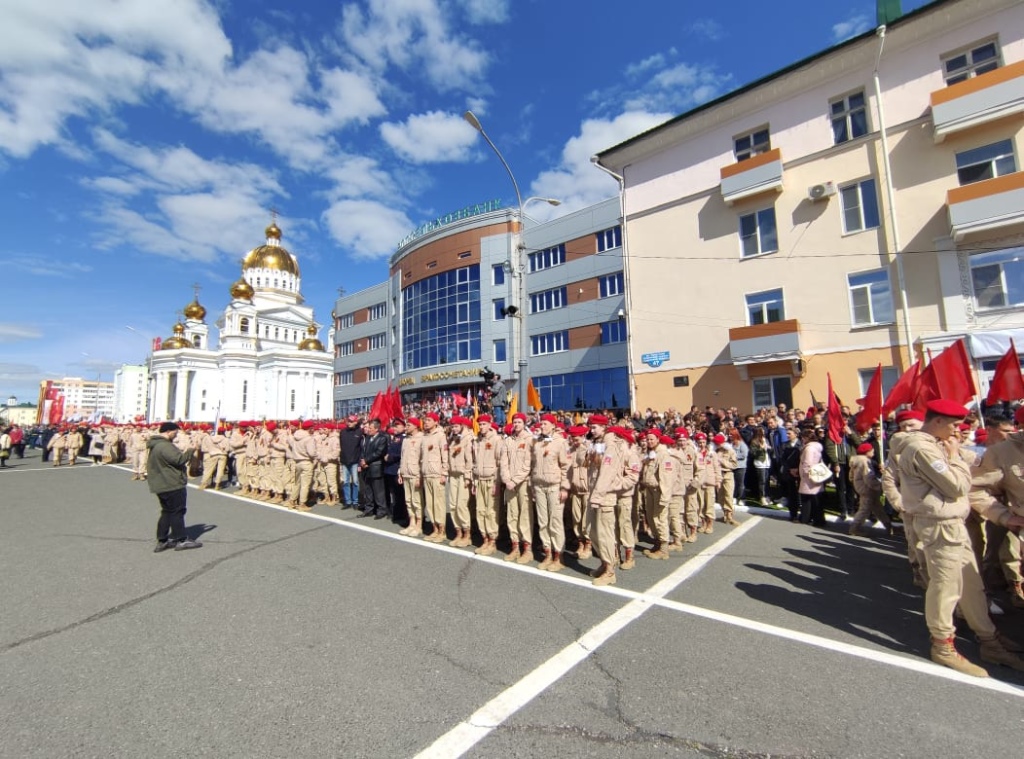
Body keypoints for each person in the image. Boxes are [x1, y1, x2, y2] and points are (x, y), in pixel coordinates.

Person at [898, 399, 1024, 676]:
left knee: (971, 584)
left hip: (953, 521)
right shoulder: (921, 447)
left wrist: (958, 454)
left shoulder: (937, 444)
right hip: (938, 524)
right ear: (938, 421)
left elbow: (974, 463)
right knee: (947, 587)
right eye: (954, 425)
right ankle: (942, 644)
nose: (957, 431)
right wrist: (955, 457)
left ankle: (988, 640)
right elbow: (956, 486)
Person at [147, 422, 202, 552]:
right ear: (169, 431)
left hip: (161, 483)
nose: (175, 436)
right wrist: (191, 450)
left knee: (167, 512)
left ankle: (162, 540)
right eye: (175, 433)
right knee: (177, 511)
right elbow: (179, 460)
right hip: (171, 483)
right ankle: (181, 540)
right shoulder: (165, 446)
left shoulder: (155, 445)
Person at [849, 441, 890, 537]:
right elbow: (868, 477)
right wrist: (879, 486)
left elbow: (851, 476)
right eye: (872, 450)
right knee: (865, 508)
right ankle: (855, 527)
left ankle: (888, 525)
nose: (873, 452)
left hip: (862, 487)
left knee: (877, 507)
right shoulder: (865, 461)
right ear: (867, 452)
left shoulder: (856, 461)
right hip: (867, 488)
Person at [797, 427, 826, 526]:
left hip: (809, 476)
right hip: (817, 474)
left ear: (805, 438)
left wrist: (805, 474)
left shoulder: (809, 448)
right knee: (816, 499)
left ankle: (805, 518)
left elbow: (807, 463)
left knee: (806, 499)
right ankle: (818, 519)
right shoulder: (817, 447)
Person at [339, 414, 363, 508]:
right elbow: (341, 445)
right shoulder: (343, 432)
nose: (349, 423)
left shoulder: (359, 432)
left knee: (356, 482)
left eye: (351, 421)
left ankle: (355, 501)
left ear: (355, 422)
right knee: (345, 482)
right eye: (348, 421)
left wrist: (359, 461)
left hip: (355, 461)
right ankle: (348, 501)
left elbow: (360, 448)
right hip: (345, 460)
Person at [749, 426, 772, 505]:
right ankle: (762, 497)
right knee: (762, 481)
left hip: (767, 462)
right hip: (760, 463)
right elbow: (753, 453)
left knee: (767, 480)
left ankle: (767, 496)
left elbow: (769, 449)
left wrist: (769, 448)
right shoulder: (754, 441)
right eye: (762, 431)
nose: (764, 432)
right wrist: (761, 448)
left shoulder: (766, 440)